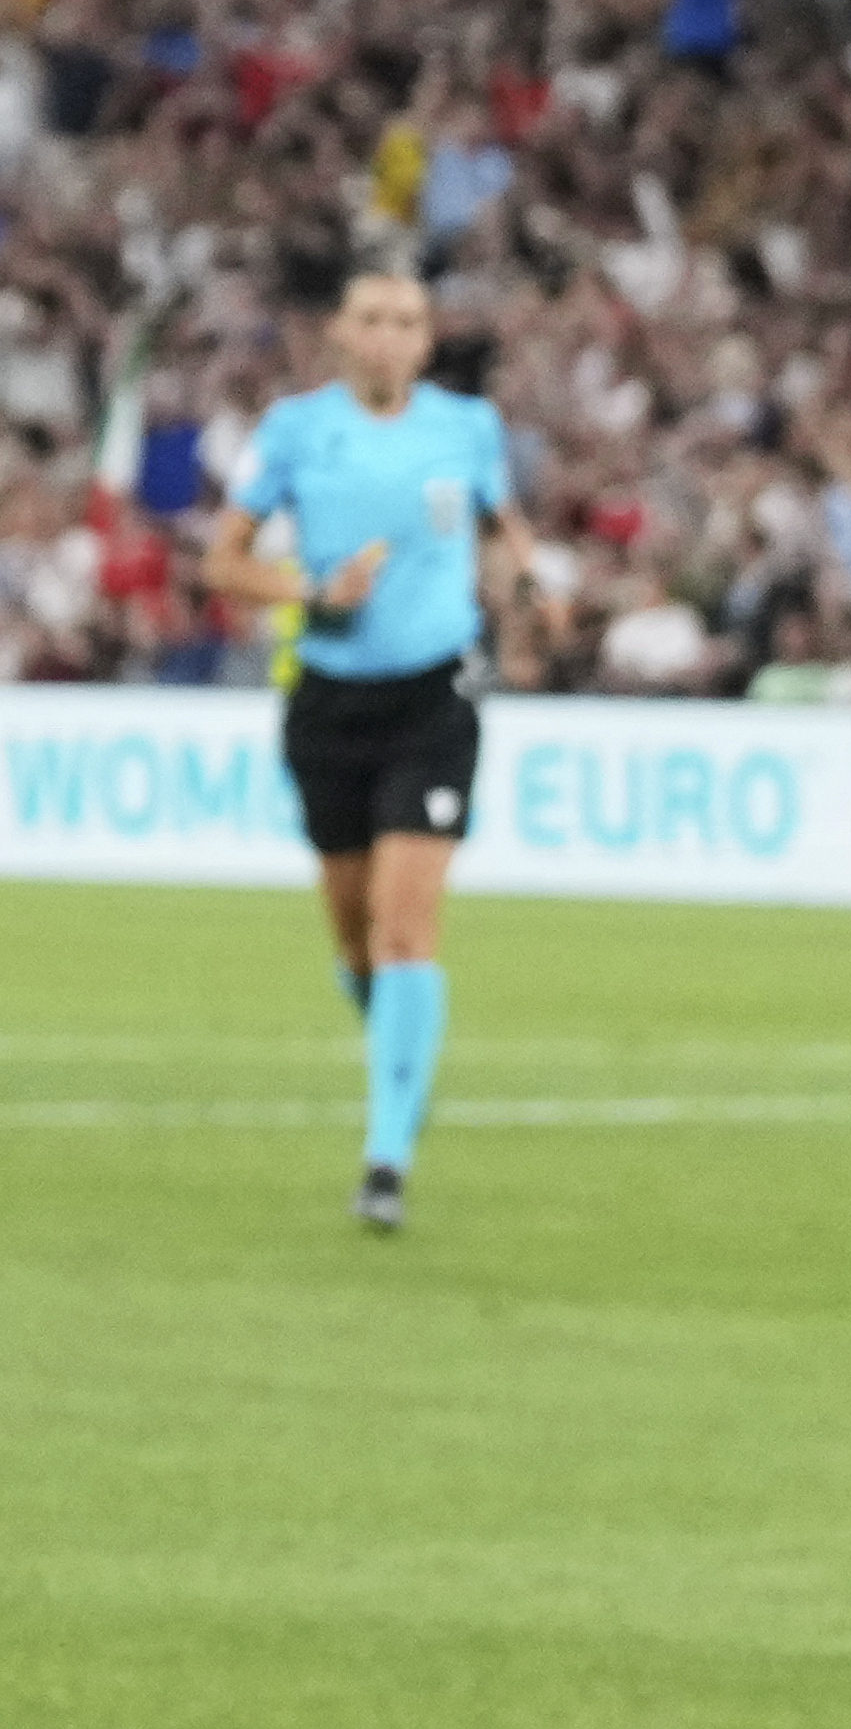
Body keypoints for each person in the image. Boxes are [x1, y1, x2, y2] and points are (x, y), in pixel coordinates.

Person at [201, 267, 534, 1231]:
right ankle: (403, 1061)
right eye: (373, 321)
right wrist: (309, 590)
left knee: (402, 927)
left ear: (427, 343)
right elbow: (222, 561)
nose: (390, 337)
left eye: (408, 322)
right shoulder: (296, 431)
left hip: (436, 695)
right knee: (353, 937)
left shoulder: (467, 429)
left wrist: (525, 588)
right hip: (330, 703)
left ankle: (385, 1157)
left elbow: (502, 529)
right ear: (340, 336)